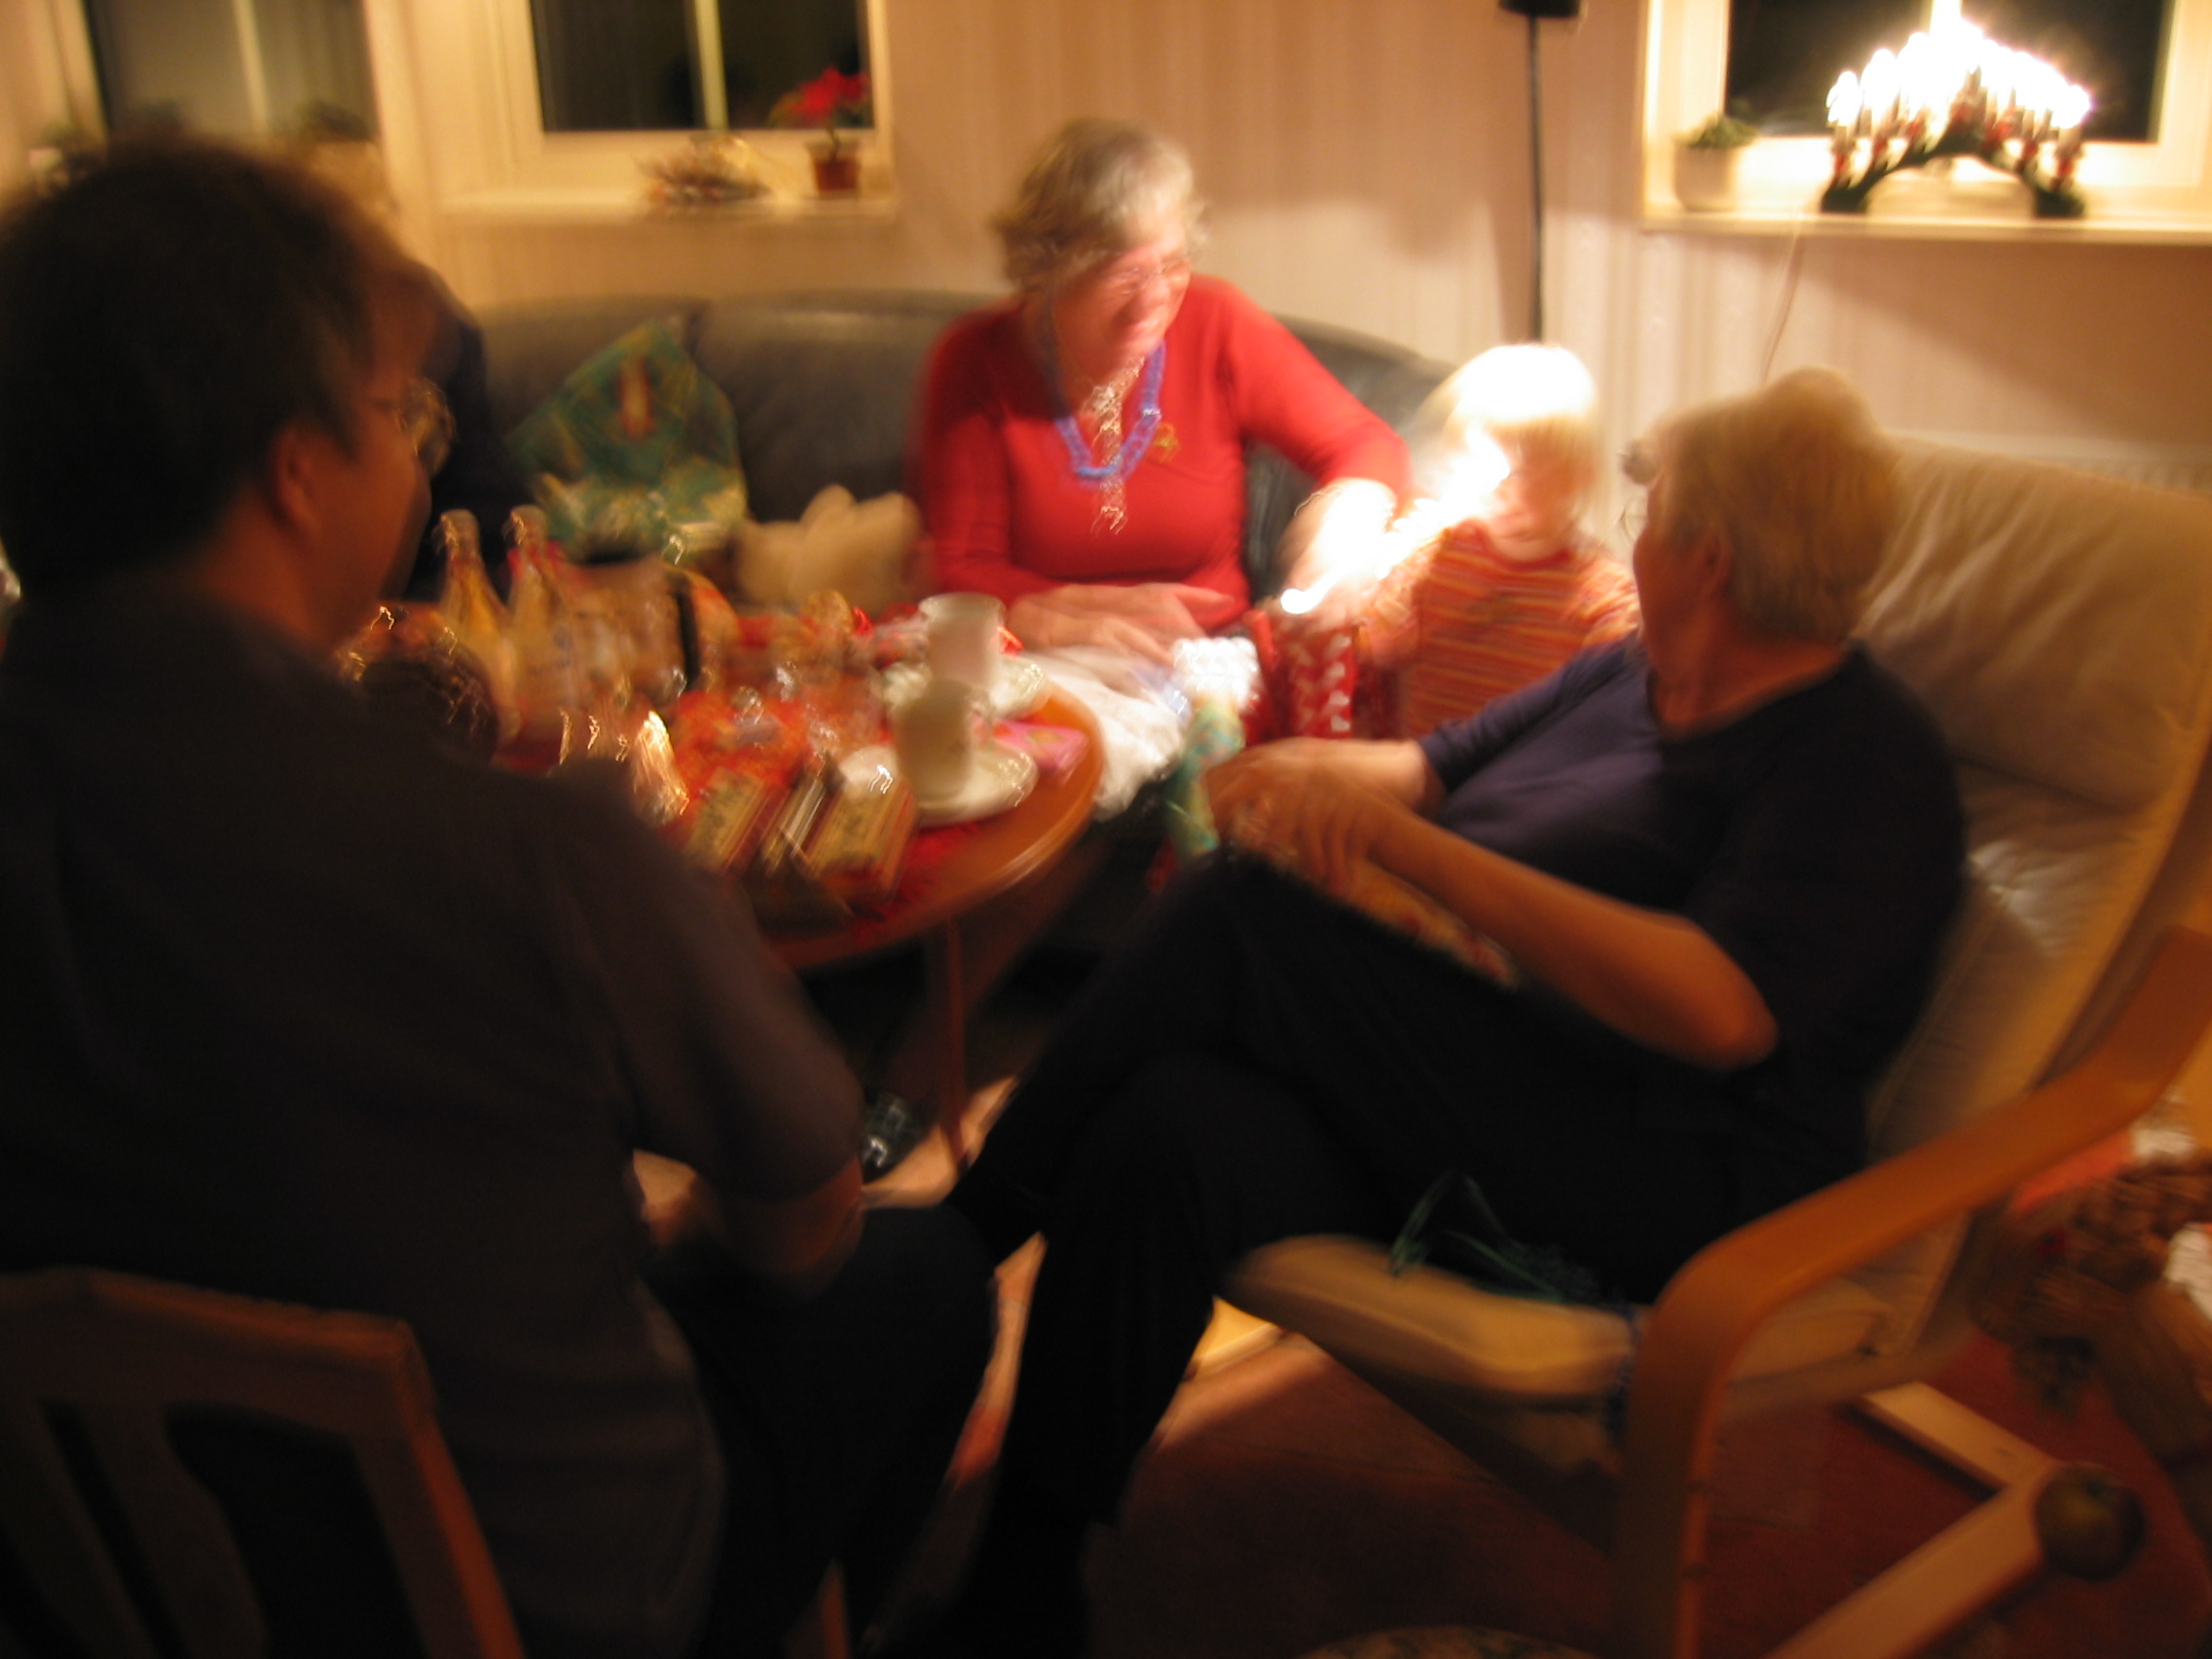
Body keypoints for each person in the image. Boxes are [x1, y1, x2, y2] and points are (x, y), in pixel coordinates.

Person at [0, 139, 992, 1659]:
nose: (420, 457)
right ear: (294, 469)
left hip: (98, 1587)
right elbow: (805, 1215)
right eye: (402, 417)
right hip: (547, 1598)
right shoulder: (528, 850)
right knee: (926, 1282)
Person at [908, 367, 1967, 1657]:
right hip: (1487, 1082)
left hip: (1670, 1167)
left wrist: (1411, 857)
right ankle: (1020, 1600)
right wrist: (1290, 773)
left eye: (1655, 515)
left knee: (1243, 919)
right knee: (1168, 1133)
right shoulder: (1632, 673)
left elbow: (1717, 1012)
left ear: (1712, 561)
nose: (1633, 535)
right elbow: (1426, 770)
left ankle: (951, 1257)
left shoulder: (1862, 762)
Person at [911, 118, 1411, 666]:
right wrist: (1062, 619)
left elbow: (1366, 443)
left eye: (1172, 263)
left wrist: (1344, 525)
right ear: (1049, 270)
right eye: (1122, 274)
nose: (1153, 298)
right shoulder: (976, 359)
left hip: (1209, 663)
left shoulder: (1218, 325)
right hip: (1044, 663)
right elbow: (964, 565)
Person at [1363, 342, 1641, 738]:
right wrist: (1392, 563)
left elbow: (1611, 709)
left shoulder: (1601, 593)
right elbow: (1378, 647)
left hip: (1524, 770)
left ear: (1579, 476)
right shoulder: (1439, 554)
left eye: (1516, 472)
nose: (1492, 488)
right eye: (1473, 465)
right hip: (1423, 762)